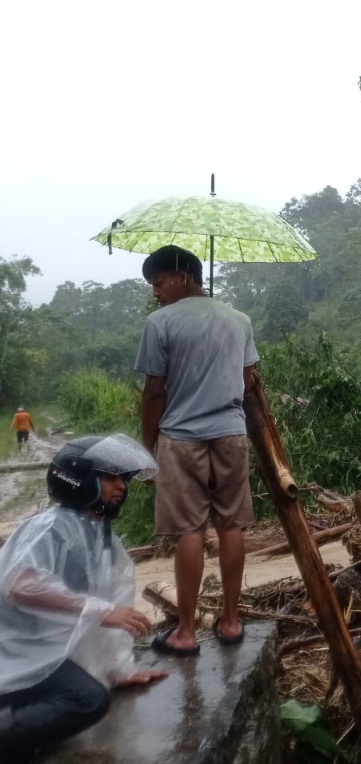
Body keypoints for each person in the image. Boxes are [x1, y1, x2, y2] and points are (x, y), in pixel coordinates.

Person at [0, 434, 167, 761]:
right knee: (85, 699)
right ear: (79, 480)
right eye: (110, 477)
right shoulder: (53, 526)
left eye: (123, 478)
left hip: (39, 649)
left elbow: (107, 606)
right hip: (14, 648)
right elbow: (21, 583)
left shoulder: (99, 536)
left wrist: (117, 669)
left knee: (88, 694)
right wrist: (98, 609)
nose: (120, 486)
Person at [134, 245, 258, 656]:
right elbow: (249, 380)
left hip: (181, 437)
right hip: (230, 434)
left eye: (159, 281)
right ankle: (230, 621)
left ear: (183, 276)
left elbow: (154, 391)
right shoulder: (239, 320)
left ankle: (186, 632)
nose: (156, 292)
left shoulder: (160, 323)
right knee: (230, 526)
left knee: (190, 530)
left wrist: (148, 447)